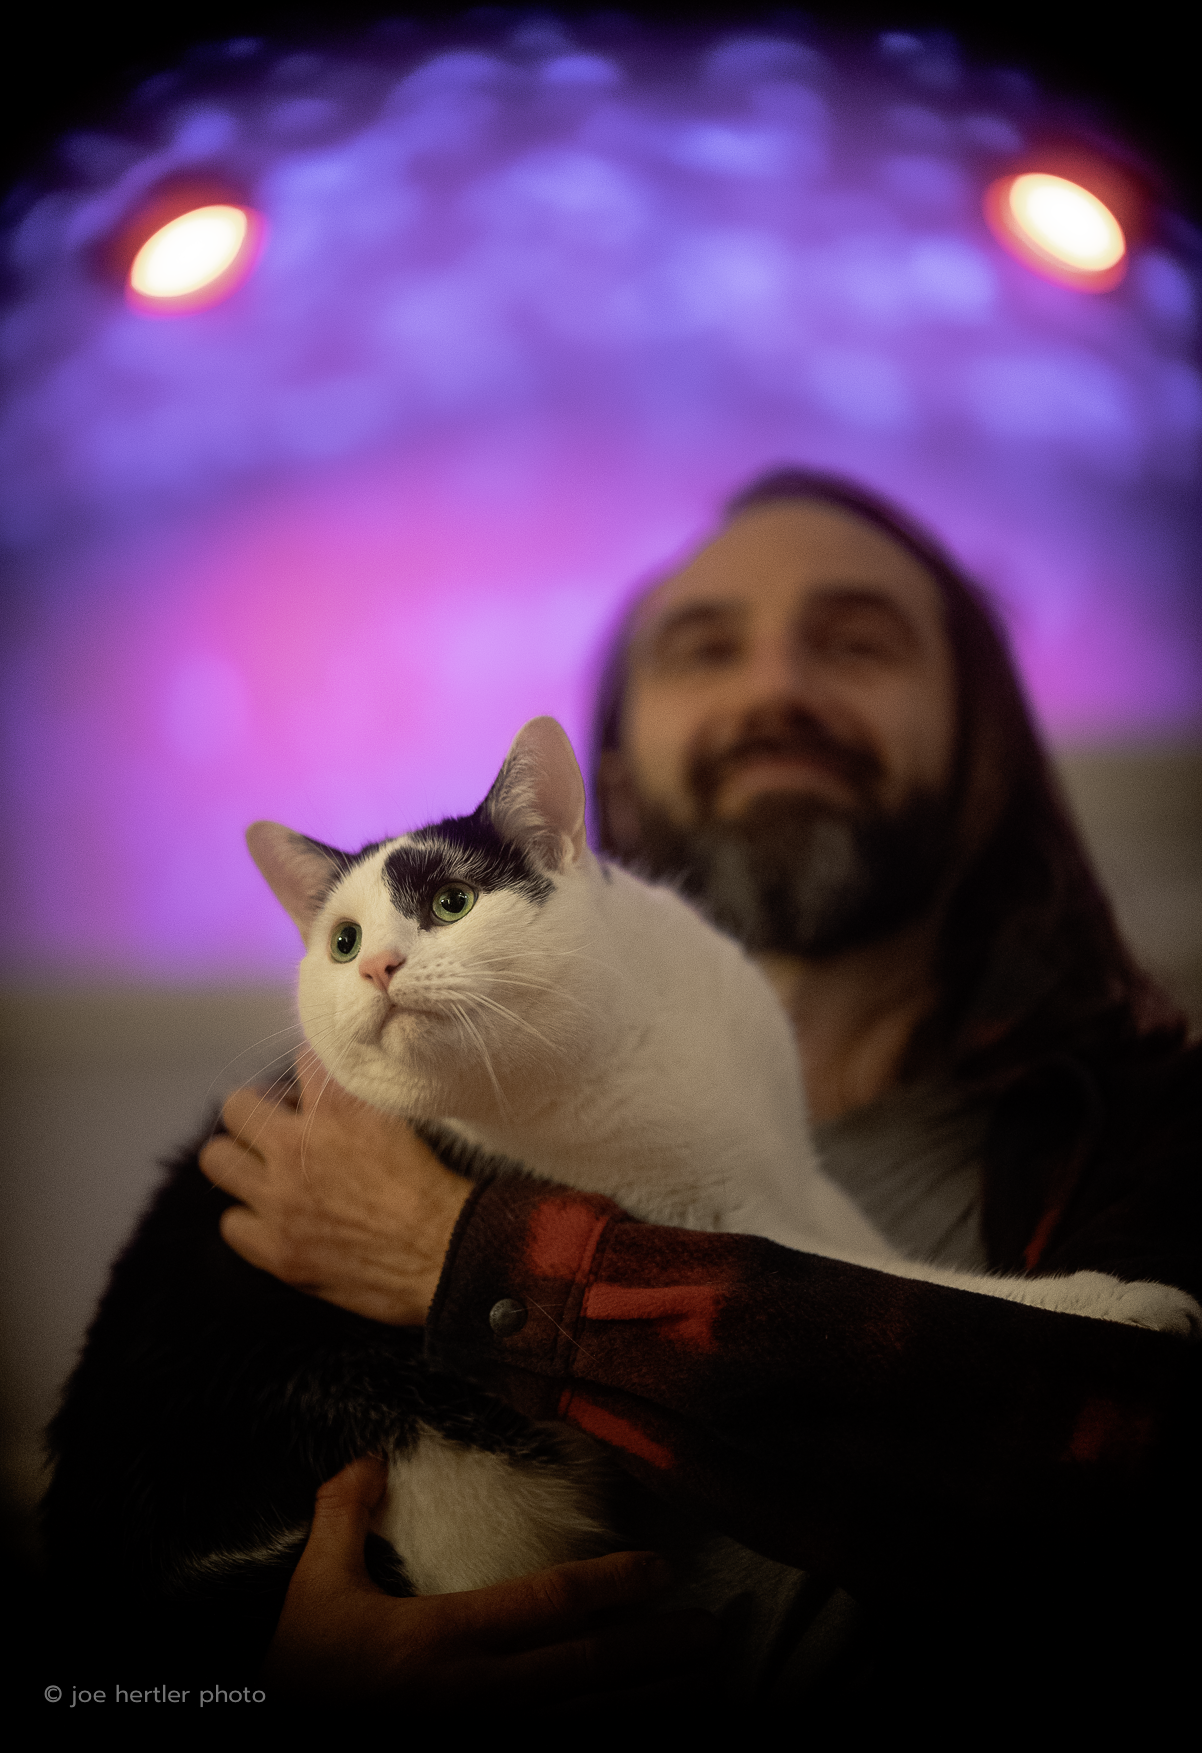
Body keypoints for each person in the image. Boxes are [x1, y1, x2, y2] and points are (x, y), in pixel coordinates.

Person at [201, 469, 1202, 1717]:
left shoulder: (1161, 1130)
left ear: (982, 746)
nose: (776, 688)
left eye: (854, 640)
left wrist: (457, 1256)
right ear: (602, 787)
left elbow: (1130, 1489)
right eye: (703, 647)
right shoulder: (441, 1097)